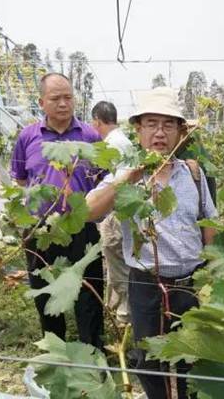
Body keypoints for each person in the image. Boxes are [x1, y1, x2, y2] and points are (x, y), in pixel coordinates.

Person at [86, 87, 218, 399]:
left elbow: (209, 222)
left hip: (190, 285)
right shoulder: (125, 176)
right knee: (148, 362)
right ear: (138, 130)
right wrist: (128, 179)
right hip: (146, 286)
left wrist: (211, 273)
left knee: (192, 358)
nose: (160, 133)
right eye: (151, 124)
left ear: (180, 132)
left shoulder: (193, 173)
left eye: (168, 125)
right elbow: (89, 212)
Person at [10, 73, 105, 349]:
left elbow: (103, 179)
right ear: (41, 102)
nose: (63, 103)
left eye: (68, 97)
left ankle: (92, 350)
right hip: (41, 229)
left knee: (89, 289)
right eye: (55, 98)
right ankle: (56, 347)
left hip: (82, 225)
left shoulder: (89, 136)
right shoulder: (28, 137)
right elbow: (21, 179)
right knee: (45, 289)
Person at [90, 101, 134, 325]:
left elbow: (112, 186)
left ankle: (125, 316)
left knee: (117, 262)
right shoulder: (124, 141)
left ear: (97, 121)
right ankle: (115, 306)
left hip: (115, 213)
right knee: (118, 259)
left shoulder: (110, 145)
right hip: (125, 211)